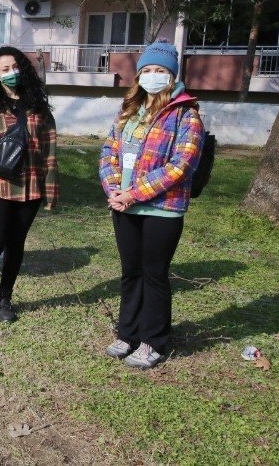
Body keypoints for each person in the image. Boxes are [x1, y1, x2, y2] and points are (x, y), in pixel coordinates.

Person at [99, 40, 203, 369]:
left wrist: (134, 193)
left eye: (160, 71)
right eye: (147, 70)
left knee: (154, 274)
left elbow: (179, 166)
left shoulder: (186, 115)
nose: (153, 76)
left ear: (172, 76)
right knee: (131, 273)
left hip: (163, 209)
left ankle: (153, 340)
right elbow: (108, 153)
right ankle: (127, 333)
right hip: (124, 207)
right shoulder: (129, 112)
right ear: (139, 76)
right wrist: (115, 190)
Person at [0, 46, 58, 329]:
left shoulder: (38, 106)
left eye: (15, 67)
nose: (11, 72)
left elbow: (50, 152)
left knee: (16, 246)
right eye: (4, 69)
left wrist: (50, 191)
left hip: (30, 189)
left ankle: (4, 300)